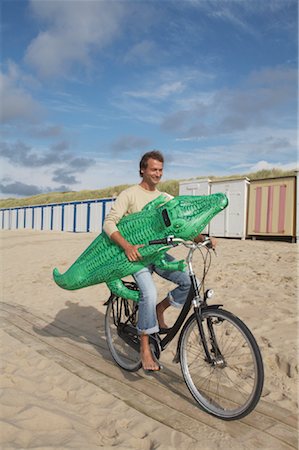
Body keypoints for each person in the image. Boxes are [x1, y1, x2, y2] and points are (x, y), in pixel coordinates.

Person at [103, 150, 213, 371]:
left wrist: (204, 238)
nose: (158, 174)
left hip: (159, 255)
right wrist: (127, 246)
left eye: (161, 170)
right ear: (143, 169)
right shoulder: (130, 194)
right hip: (137, 259)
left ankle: (160, 310)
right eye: (154, 169)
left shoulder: (164, 198)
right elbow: (109, 224)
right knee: (149, 292)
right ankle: (145, 349)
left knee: (190, 282)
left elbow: (181, 223)